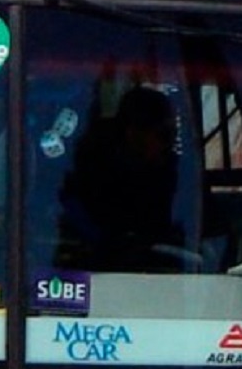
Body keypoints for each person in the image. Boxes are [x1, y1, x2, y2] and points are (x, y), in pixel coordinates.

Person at [57, 85, 183, 271]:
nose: (170, 144)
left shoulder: (181, 176)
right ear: (133, 133)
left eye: (174, 135)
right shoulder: (89, 177)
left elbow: (209, 230)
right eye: (164, 135)